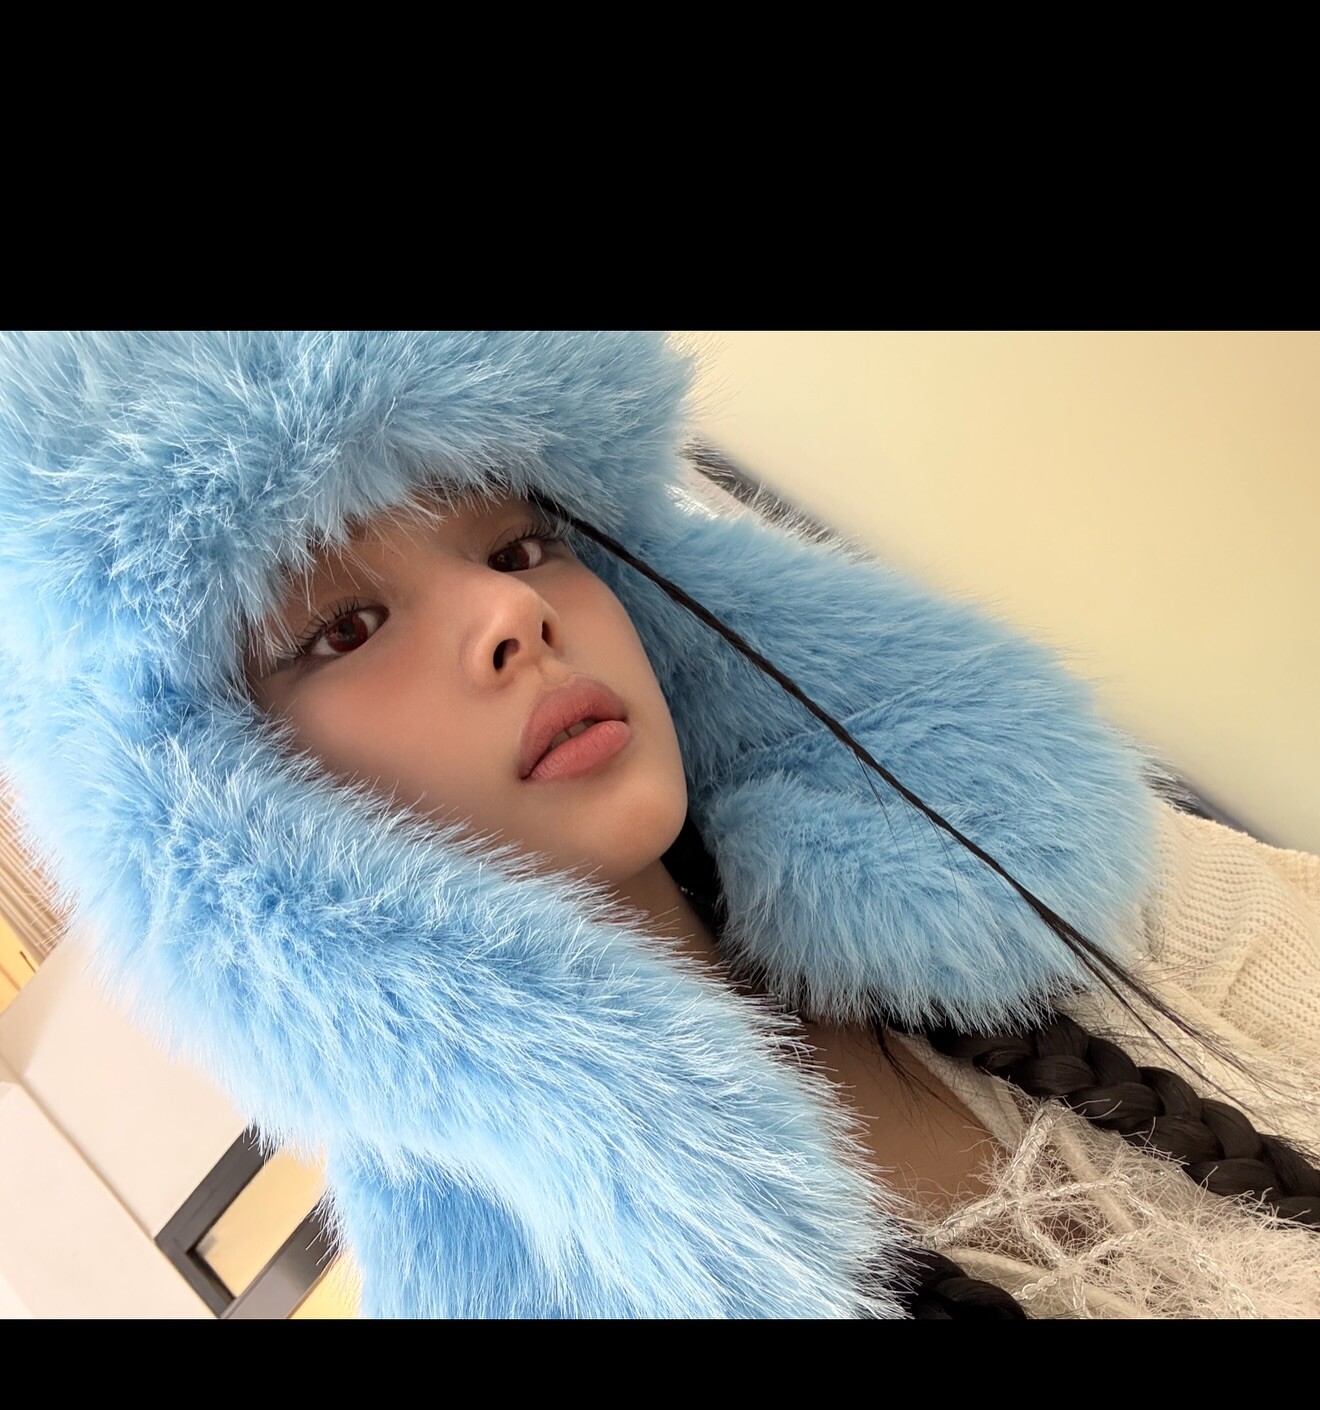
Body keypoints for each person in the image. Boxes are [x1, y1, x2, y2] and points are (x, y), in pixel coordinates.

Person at [0, 330, 1316, 1318]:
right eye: (344, 626)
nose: (514, 613)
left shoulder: (1056, 890)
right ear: (227, 812)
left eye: (519, 545)